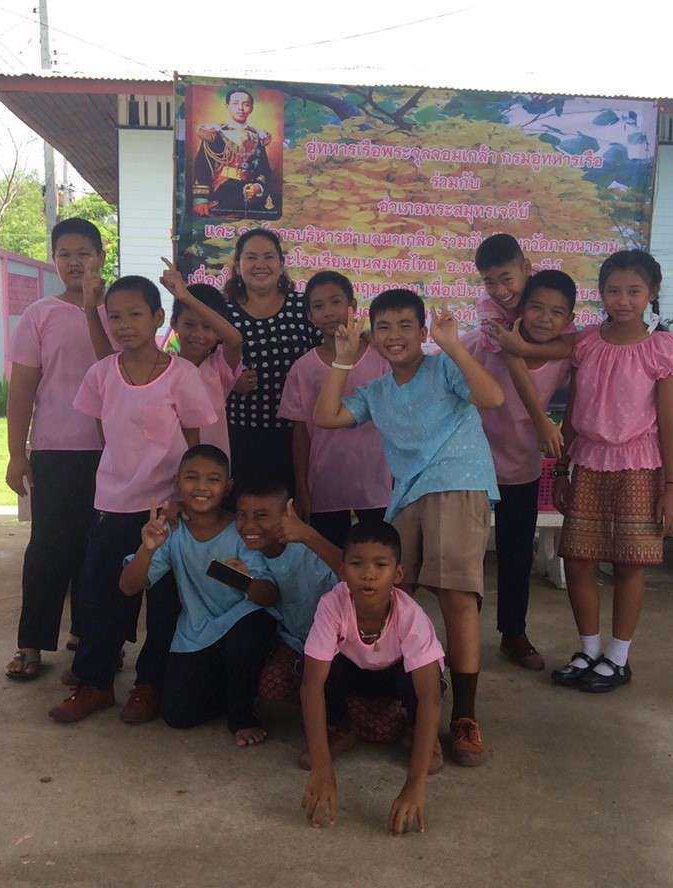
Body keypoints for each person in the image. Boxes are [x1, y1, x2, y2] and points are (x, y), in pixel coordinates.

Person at [314, 289, 504, 767]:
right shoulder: (377, 391)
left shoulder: (443, 368)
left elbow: (492, 397)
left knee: (456, 597)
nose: (394, 335)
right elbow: (327, 416)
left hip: (458, 482)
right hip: (406, 495)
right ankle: (412, 708)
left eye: (405, 326)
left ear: (422, 332)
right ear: (372, 336)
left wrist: (452, 344)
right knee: (391, 596)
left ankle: (464, 717)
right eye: (383, 327)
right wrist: (343, 361)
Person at [48, 277, 216, 724]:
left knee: (164, 605)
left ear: (158, 318)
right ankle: (95, 683)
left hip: (165, 510)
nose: (124, 325)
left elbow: (194, 443)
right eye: (116, 316)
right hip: (112, 505)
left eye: (135, 314)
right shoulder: (102, 374)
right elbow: (104, 433)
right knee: (101, 600)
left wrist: (185, 501)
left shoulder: (182, 375)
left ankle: (149, 686)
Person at [550, 250, 673, 693]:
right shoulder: (586, 343)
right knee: (578, 559)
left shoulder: (662, 348)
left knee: (630, 562)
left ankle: (618, 657)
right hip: (589, 462)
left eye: (633, 291)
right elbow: (573, 409)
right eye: (613, 291)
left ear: (652, 293)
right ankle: (588, 650)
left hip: (639, 466)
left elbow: (669, 424)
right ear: (601, 293)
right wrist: (562, 468)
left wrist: (671, 487)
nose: (623, 300)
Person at [3, 217, 113, 681]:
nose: (74, 262)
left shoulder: (120, 311)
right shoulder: (39, 315)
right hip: (54, 450)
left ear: (100, 257)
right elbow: (22, 389)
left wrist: (95, 309)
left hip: (114, 453)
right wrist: (17, 452)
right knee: (49, 549)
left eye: (84, 253)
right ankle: (31, 643)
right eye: (65, 254)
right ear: (54, 260)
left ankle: (89, 636)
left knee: (98, 552)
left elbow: (125, 371)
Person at [118, 445, 281, 747]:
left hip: (243, 623)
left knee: (248, 636)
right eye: (192, 477)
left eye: (213, 479)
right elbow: (129, 586)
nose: (202, 487)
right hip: (197, 631)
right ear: (177, 483)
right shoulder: (171, 531)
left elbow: (269, 596)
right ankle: (232, 688)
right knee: (177, 715)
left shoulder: (240, 529)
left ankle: (242, 715)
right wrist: (147, 549)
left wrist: (241, 580)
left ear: (227, 487)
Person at [300, 520, 444, 835]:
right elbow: (311, 686)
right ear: (342, 570)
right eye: (356, 564)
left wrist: (414, 785)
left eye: (381, 565)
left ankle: (418, 732)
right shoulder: (332, 605)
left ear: (398, 574)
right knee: (315, 668)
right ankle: (340, 725)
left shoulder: (411, 616)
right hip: (355, 674)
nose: (368, 574)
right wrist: (323, 770)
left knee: (423, 679)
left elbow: (430, 698)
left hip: (395, 680)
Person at [471, 271, 576, 671]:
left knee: (516, 556)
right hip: (472, 465)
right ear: (520, 309)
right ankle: (460, 634)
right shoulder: (488, 341)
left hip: (522, 468)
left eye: (557, 312)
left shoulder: (564, 357)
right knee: (465, 557)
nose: (544, 318)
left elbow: (581, 349)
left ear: (569, 320)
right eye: (536, 307)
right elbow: (439, 358)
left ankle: (513, 634)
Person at [278, 271, 391, 546]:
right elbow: (300, 434)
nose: (328, 312)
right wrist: (302, 487)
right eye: (319, 306)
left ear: (352, 306)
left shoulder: (381, 357)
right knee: (329, 556)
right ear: (309, 316)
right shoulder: (303, 368)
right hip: (326, 483)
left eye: (336, 302)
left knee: (379, 556)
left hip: (378, 483)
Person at [223, 228, 322, 492]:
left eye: (268, 256)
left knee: (293, 507)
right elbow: (202, 365)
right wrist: (229, 381)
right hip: (238, 434)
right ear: (238, 265)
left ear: (281, 263)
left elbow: (329, 351)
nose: (260, 264)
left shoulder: (303, 307)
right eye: (251, 257)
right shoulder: (223, 311)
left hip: (299, 434)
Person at [232, 480, 342, 704]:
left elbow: (351, 572)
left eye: (261, 516)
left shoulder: (308, 548)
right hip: (295, 642)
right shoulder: (249, 553)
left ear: (288, 515)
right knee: (272, 687)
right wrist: (240, 580)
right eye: (242, 515)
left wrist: (309, 535)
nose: (249, 525)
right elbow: (267, 595)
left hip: (338, 642)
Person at [160, 260, 244, 458]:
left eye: (208, 327)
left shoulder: (219, 367)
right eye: (189, 324)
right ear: (174, 323)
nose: (198, 334)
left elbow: (235, 340)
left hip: (212, 466)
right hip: (170, 464)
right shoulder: (162, 367)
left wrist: (186, 297)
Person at [192, 87, 278, 219]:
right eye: (235, 103)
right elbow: (202, 167)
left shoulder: (257, 136)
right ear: (227, 106)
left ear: (251, 108)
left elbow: (263, 170)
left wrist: (257, 187)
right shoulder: (214, 134)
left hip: (249, 197)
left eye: (246, 104)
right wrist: (201, 199)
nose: (240, 108)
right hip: (219, 194)